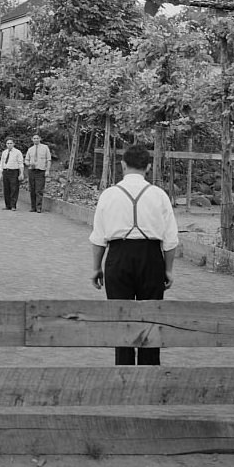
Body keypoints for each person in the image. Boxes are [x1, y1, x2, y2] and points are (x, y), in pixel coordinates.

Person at [90, 143, 179, 366]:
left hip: (118, 257)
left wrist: (96, 267)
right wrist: (168, 269)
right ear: (148, 167)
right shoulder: (159, 195)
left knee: (122, 318)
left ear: (122, 165)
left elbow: (99, 237)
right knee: (151, 318)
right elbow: (170, 239)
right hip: (151, 257)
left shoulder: (109, 194)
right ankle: (149, 370)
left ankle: (124, 370)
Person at [24, 133, 51, 213]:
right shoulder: (30, 149)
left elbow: (48, 160)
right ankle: (33, 207)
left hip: (41, 171)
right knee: (32, 189)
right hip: (32, 171)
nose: (36, 140)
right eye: (34, 138)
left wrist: (47, 170)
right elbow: (26, 160)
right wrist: (29, 164)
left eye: (37, 138)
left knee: (39, 190)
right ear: (32, 139)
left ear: (40, 139)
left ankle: (39, 207)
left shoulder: (45, 148)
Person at [0, 137, 24, 210]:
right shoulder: (4, 152)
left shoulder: (18, 152)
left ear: (13, 144)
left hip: (14, 172)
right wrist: (1, 173)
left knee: (14, 189)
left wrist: (21, 173)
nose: (9, 144)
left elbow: (20, 163)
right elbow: (2, 163)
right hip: (5, 171)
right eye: (8, 143)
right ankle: (7, 205)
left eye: (10, 143)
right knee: (6, 189)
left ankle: (13, 205)